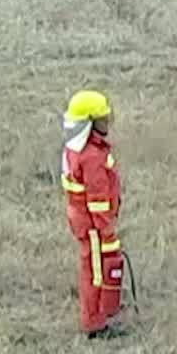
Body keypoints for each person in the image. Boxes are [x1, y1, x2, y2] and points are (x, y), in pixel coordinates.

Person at [60, 90, 126, 338]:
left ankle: (98, 312)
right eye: (102, 119)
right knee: (96, 273)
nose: (107, 122)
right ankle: (95, 323)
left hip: (84, 223)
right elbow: (97, 200)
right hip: (93, 226)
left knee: (94, 267)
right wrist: (106, 231)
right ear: (89, 123)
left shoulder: (78, 150)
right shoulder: (91, 157)